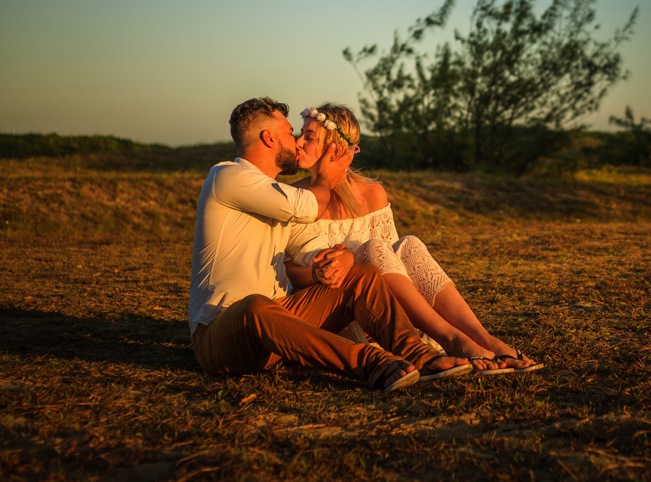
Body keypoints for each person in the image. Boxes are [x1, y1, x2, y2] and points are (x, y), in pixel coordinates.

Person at [188, 97, 471, 394]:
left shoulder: (278, 196)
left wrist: (344, 260)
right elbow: (309, 207)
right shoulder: (226, 177)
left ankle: (420, 356)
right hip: (221, 335)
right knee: (255, 306)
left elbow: (312, 246)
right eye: (289, 133)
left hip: (278, 328)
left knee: (363, 275)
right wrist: (326, 179)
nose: (296, 141)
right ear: (268, 138)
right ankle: (370, 362)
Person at [286, 102, 543, 374]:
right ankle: (452, 340)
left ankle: (484, 339)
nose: (298, 142)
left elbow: (395, 268)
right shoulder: (297, 198)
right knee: (373, 248)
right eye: (301, 134)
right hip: (331, 306)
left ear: (335, 149)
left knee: (409, 245)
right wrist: (326, 272)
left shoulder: (372, 193)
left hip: (378, 307)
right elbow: (292, 275)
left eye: (309, 137)